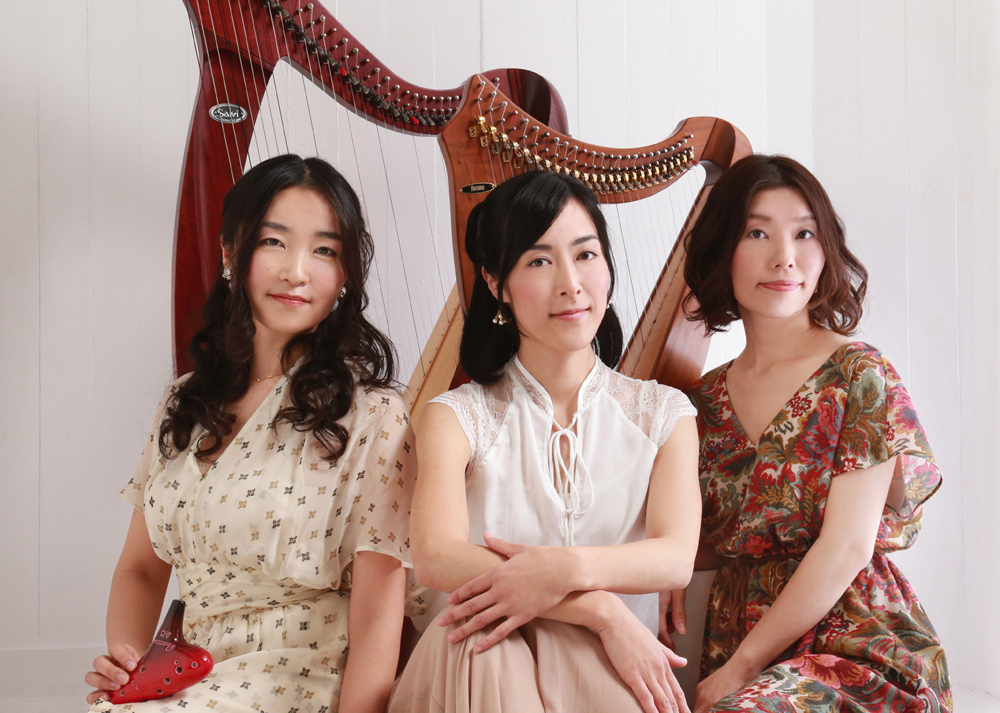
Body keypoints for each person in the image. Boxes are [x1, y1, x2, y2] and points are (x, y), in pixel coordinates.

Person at [84, 154, 422, 713]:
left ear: (345, 273)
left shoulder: (373, 414)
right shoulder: (186, 401)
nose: (296, 271)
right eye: (274, 242)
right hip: (184, 675)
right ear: (230, 253)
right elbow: (140, 569)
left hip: (299, 678)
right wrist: (128, 664)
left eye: (324, 250)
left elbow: (379, 613)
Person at [389, 170, 702, 713]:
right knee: (481, 640)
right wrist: (601, 610)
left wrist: (563, 570)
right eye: (538, 261)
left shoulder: (663, 413)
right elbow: (436, 558)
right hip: (477, 667)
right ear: (495, 283)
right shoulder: (455, 417)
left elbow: (675, 558)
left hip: (607, 667)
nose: (571, 283)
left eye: (585, 254)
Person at [669, 154, 951, 712]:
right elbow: (708, 539)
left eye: (805, 233)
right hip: (740, 637)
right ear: (723, 248)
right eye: (757, 233)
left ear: (825, 252)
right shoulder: (702, 400)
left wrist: (743, 667)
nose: (785, 257)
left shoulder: (858, 373)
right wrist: (663, 571)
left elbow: (847, 546)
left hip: (853, 640)